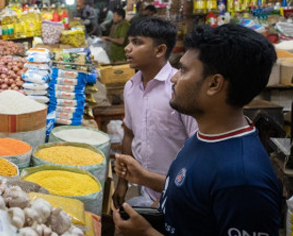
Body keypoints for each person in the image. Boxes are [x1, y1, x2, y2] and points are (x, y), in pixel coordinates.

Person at [113, 24, 281, 236]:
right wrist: (144, 178)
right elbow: (192, 191)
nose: (174, 78)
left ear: (214, 84)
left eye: (183, 71)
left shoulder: (243, 181)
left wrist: (147, 233)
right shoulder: (203, 138)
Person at [113, 18, 197, 209]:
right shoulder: (131, 86)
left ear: (159, 50)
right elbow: (129, 133)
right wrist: (123, 182)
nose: (127, 48)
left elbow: (197, 146)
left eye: (137, 42)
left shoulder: (179, 87)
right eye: (129, 42)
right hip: (146, 188)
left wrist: (170, 191)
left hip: (182, 191)